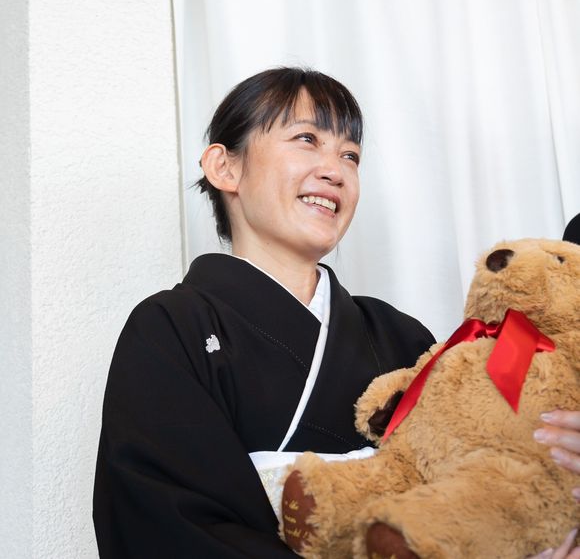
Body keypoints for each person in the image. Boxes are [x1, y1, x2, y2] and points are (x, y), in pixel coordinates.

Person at [93, 67, 580, 558]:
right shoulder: (171, 329)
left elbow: (477, 479)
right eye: (307, 139)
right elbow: (159, 524)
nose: (336, 171)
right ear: (225, 167)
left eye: (350, 155)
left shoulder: (398, 335)